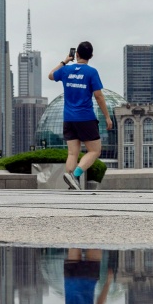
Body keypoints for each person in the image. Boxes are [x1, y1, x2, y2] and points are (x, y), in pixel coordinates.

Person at [49, 40, 114, 191]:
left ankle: (72, 182)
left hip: (69, 118)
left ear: (76, 54)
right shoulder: (91, 72)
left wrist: (64, 61)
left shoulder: (66, 70)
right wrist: (107, 117)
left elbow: (51, 75)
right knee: (95, 150)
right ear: (91, 56)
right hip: (85, 117)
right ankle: (75, 175)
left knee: (72, 153)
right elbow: (98, 96)